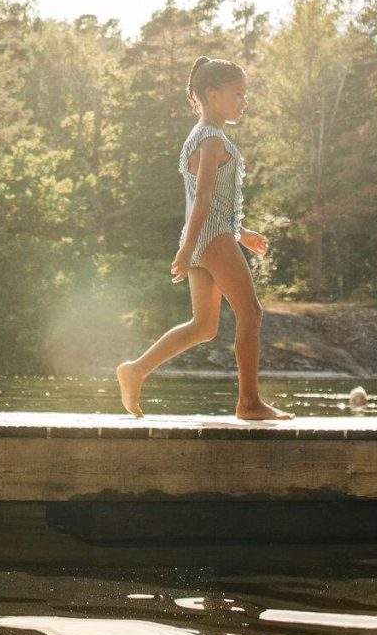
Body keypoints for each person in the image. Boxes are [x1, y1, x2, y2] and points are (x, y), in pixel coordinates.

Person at [115, 56, 285, 421]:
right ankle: (249, 403)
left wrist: (241, 233)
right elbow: (204, 199)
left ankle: (136, 370)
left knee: (204, 326)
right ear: (211, 93)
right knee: (250, 313)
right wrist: (189, 247)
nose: (244, 101)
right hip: (210, 237)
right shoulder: (211, 139)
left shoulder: (201, 136)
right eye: (238, 94)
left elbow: (212, 200)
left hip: (209, 237)